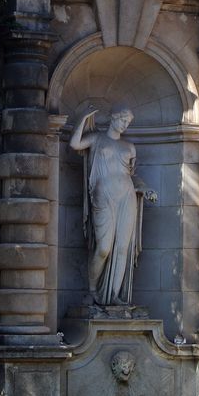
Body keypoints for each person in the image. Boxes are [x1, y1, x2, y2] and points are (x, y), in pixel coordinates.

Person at [69, 108, 156, 305]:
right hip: (103, 196)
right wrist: (82, 119)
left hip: (126, 196)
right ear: (113, 118)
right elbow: (74, 144)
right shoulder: (96, 138)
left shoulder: (129, 147)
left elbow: (130, 175)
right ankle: (92, 290)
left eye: (128, 122)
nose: (125, 125)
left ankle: (114, 295)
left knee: (123, 249)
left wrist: (144, 188)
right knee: (104, 248)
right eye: (123, 120)